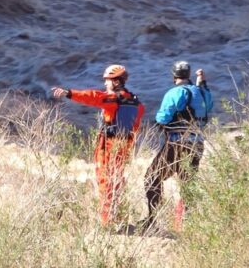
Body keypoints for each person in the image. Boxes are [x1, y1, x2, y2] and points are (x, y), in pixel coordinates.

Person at [51, 64, 145, 226]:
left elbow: (93, 96)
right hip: (125, 145)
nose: (105, 84)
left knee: (105, 180)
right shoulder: (136, 102)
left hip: (108, 145)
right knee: (117, 180)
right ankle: (118, 216)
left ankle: (106, 222)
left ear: (116, 82)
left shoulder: (113, 99)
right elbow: (135, 126)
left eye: (107, 81)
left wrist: (70, 93)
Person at [141, 61, 213, 231]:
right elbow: (207, 105)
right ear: (188, 75)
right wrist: (201, 82)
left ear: (174, 76)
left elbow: (163, 118)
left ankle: (152, 220)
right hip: (197, 144)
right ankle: (184, 224)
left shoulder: (175, 92)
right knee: (187, 183)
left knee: (152, 178)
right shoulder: (203, 93)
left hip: (177, 143)